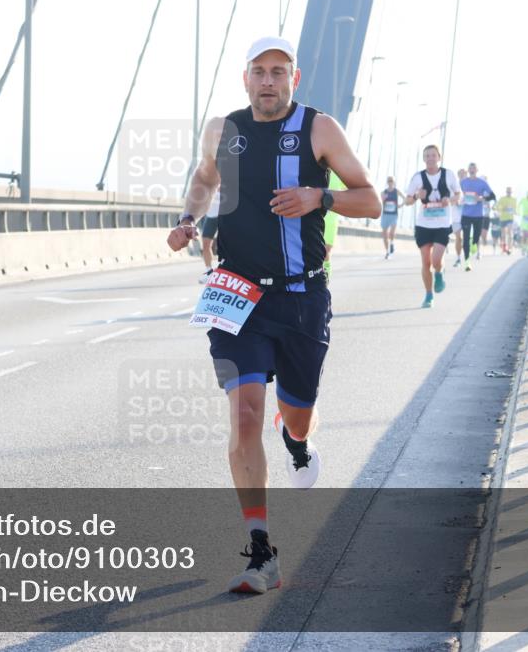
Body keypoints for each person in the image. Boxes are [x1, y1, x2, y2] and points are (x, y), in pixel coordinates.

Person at [166, 36, 380, 595]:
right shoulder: (222, 129)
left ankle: (297, 439)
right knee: (243, 416)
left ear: (295, 78)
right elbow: (204, 178)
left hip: (302, 298)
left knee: (298, 413)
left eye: (278, 72)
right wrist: (189, 219)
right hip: (237, 294)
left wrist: (319, 198)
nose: (267, 81)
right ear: (245, 79)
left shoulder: (320, 129)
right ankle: (261, 551)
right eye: (258, 71)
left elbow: (370, 199)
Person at [404, 145, 461, 308]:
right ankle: (429, 295)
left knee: (436, 260)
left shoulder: (448, 175)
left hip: (442, 223)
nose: (430, 158)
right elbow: (407, 201)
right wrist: (416, 196)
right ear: (424, 159)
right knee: (426, 262)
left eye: (433, 155)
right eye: (427, 156)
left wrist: (449, 200)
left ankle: (439, 272)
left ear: (439, 157)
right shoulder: (418, 177)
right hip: (423, 224)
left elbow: (458, 194)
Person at [458, 163, 494, 271]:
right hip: (466, 214)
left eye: (474, 168)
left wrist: (481, 198)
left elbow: (492, 196)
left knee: (476, 237)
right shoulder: (463, 182)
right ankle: (467, 262)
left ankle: (474, 244)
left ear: (477, 170)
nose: (472, 169)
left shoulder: (482, 183)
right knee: (465, 238)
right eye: (470, 167)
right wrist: (460, 199)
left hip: (478, 215)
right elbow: (457, 194)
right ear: (468, 170)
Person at [198, 190, 221, 283]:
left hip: (225, 214)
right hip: (210, 215)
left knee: (228, 243)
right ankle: (209, 272)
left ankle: (230, 271)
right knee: (205, 245)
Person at [380, 176, 404, 259]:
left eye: (391, 181)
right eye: (389, 181)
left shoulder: (396, 191)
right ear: (387, 182)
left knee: (392, 233)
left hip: (393, 215)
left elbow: (404, 198)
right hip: (385, 215)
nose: (390, 182)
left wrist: (400, 205)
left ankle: (392, 243)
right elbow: (380, 203)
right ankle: (387, 251)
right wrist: (382, 200)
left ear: (394, 182)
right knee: (384, 234)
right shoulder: (383, 192)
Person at [495, 186, 517, 254]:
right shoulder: (502, 199)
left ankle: (510, 248)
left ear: (512, 192)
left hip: (510, 218)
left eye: (510, 192)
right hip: (503, 218)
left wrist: (515, 211)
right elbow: (497, 207)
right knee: (503, 234)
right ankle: (504, 248)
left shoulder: (514, 199)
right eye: (508, 192)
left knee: (510, 233)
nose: (509, 193)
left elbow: (516, 209)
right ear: (506, 192)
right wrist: (502, 209)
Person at [451, 169, 466, 267]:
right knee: (458, 237)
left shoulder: (469, 187)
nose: (462, 176)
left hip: (467, 216)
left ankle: (466, 256)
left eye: (463, 174)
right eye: (460, 174)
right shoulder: (453, 187)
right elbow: (451, 200)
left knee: (466, 238)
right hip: (456, 217)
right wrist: (455, 201)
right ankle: (458, 258)